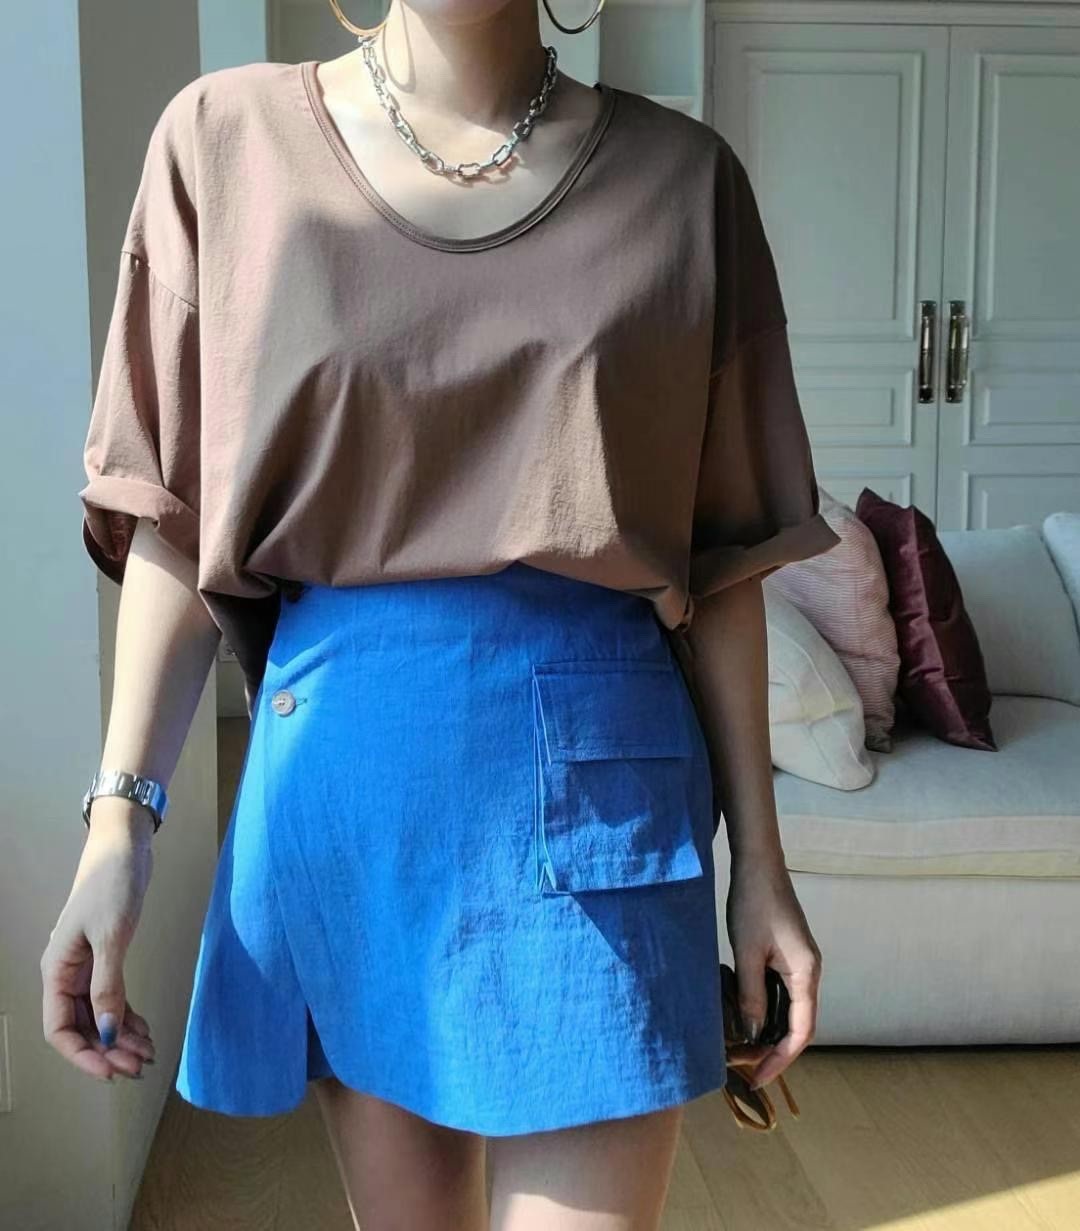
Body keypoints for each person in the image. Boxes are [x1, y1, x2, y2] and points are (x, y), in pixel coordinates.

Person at [41, 0, 840, 1225]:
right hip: (350, 793)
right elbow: (175, 521)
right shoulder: (223, 143)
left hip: (602, 797)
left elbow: (727, 560)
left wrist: (763, 870)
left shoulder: (685, 183)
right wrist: (118, 830)